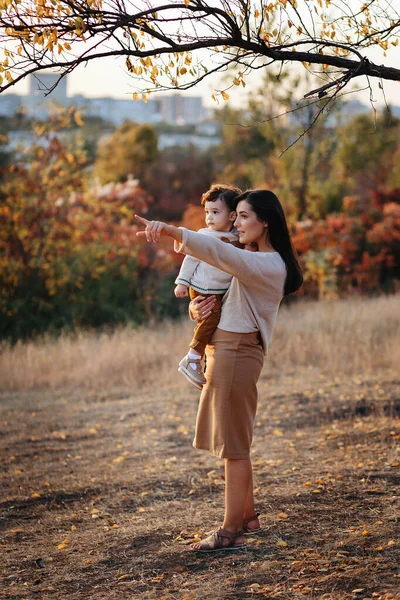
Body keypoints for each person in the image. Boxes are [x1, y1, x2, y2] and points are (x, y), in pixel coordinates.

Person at [135, 189, 303, 552]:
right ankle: (248, 516)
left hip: (237, 351)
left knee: (234, 447)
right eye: (236, 215)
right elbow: (214, 294)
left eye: (244, 216)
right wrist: (197, 311)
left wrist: (170, 231)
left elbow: (216, 251)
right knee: (233, 439)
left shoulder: (267, 264)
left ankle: (230, 531)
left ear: (265, 222)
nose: (236, 223)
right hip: (225, 348)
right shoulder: (252, 257)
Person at [174, 183, 241, 390]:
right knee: (211, 317)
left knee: (210, 323)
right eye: (207, 212)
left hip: (218, 290)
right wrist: (182, 282)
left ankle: (199, 362)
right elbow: (190, 258)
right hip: (202, 286)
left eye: (215, 212)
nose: (209, 217)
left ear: (231, 216)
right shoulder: (204, 235)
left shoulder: (238, 238)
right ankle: (192, 357)